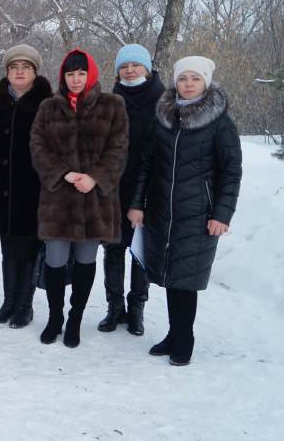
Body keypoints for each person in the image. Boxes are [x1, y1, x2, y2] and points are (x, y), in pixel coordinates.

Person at [128, 56, 241, 366]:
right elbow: (146, 165)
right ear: (175, 82)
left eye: (195, 78)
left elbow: (231, 171)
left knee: (184, 280)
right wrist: (137, 204)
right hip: (162, 210)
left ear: (205, 82)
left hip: (199, 214)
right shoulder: (163, 118)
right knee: (168, 275)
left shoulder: (219, 122)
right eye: (183, 78)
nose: (188, 84)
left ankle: (184, 339)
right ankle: (173, 334)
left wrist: (222, 214)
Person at [30, 48, 129, 348]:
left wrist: (95, 177)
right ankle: (55, 316)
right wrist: (63, 174)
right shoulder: (49, 107)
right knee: (55, 259)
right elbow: (37, 145)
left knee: (86, 259)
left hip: (95, 200)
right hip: (58, 198)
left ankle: (75, 318)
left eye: (81, 73)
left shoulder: (112, 105)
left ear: (91, 75)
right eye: (70, 74)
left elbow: (118, 148)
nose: (75, 79)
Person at [0, 44, 53, 329]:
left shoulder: (47, 104)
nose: (19, 72)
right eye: (14, 68)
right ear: (8, 72)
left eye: (26, 68)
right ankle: (8, 301)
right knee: (8, 249)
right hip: (1, 188)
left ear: (35, 72)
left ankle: (24, 305)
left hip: (33, 189)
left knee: (28, 249)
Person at [99, 44, 164, 335]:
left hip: (149, 187)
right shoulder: (109, 100)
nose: (129, 71)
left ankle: (137, 308)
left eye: (135, 65)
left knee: (140, 252)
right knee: (113, 249)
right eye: (124, 67)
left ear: (147, 68)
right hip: (113, 188)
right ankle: (115, 308)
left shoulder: (163, 101)